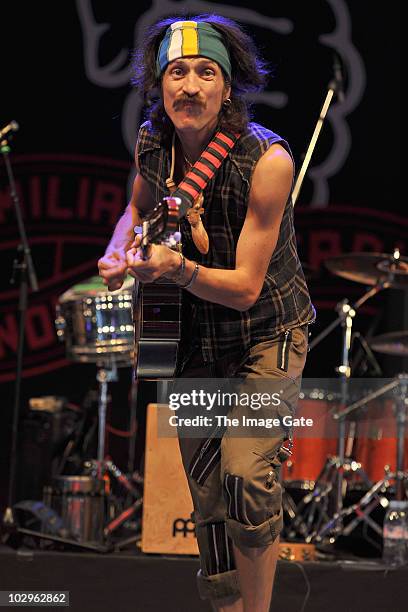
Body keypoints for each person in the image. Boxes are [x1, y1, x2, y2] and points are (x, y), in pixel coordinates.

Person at [98, 14, 315, 612]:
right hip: (189, 336)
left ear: (228, 85)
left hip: (263, 331)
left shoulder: (266, 161)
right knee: (210, 502)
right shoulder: (152, 142)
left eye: (205, 72)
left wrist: (174, 268)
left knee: (246, 479)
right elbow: (136, 210)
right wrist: (121, 251)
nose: (189, 86)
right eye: (177, 71)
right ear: (158, 83)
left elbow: (246, 288)